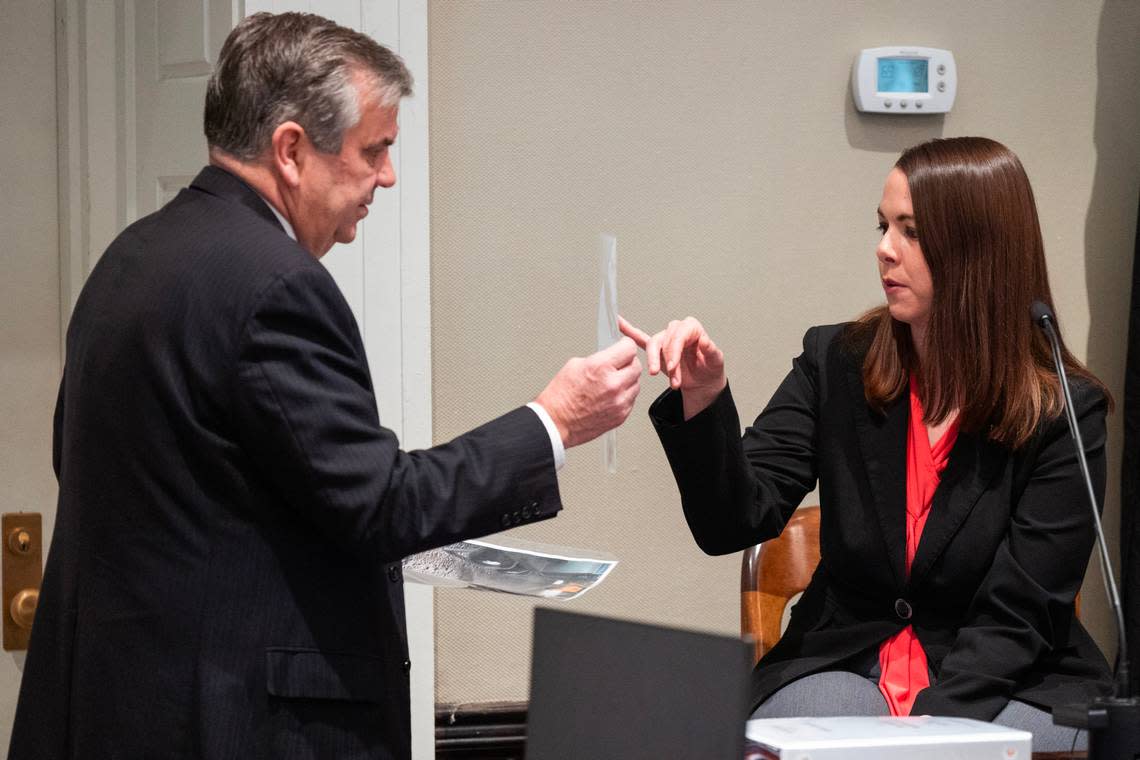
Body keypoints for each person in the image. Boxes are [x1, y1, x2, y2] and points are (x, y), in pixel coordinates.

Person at [10, 12, 640, 760]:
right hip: (232, 722)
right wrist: (555, 421)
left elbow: (127, 474)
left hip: (114, 706)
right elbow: (380, 504)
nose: (389, 176)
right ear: (291, 151)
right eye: (374, 150)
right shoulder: (277, 286)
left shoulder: (129, 257)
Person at [621, 136, 1114, 750]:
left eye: (911, 230)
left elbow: (1022, 610)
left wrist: (928, 732)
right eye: (883, 226)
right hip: (847, 656)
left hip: (1008, 676)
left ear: (978, 249)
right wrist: (703, 399)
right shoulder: (836, 362)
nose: (884, 249)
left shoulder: (1065, 407)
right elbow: (733, 520)